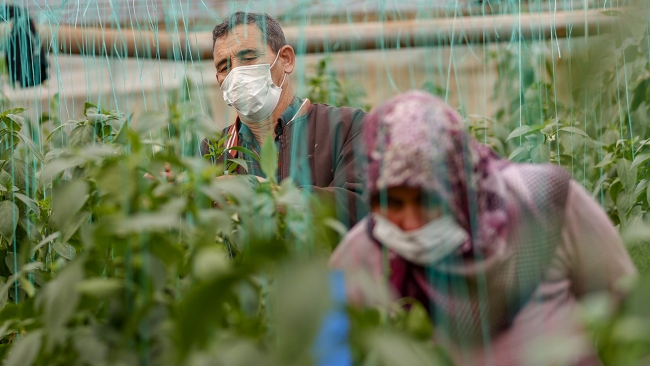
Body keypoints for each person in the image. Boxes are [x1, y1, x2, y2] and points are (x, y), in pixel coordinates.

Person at [329, 91, 637, 365]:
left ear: (460, 186)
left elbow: (631, 314)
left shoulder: (543, 207)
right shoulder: (362, 257)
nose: (409, 223)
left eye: (428, 199)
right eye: (392, 202)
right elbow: (328, 353)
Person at [202, 11, 367, 228]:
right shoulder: (214, 150)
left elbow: (363, 204)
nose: (237, 75)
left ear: (286, 60)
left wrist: (273, 198)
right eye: (225, 67)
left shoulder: (345, 126)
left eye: (249, 57)